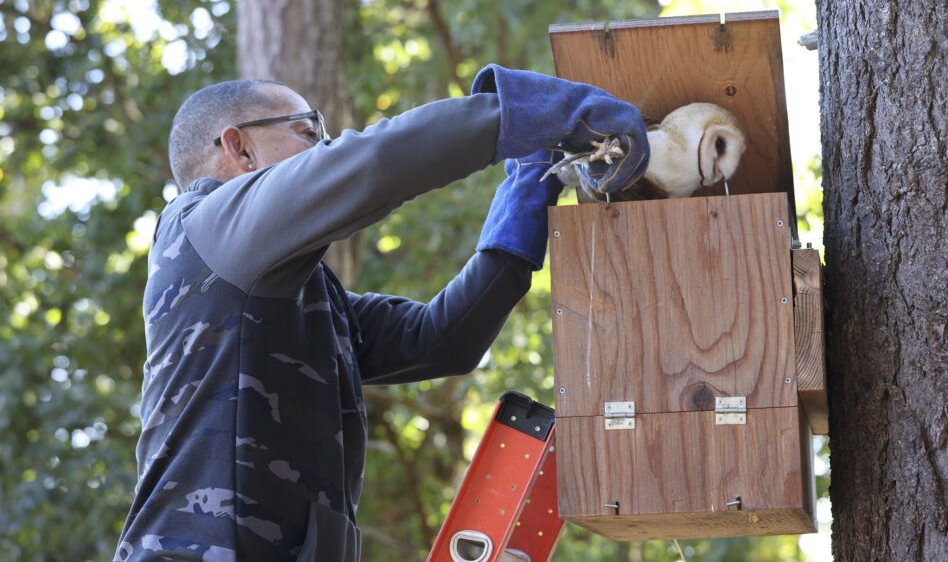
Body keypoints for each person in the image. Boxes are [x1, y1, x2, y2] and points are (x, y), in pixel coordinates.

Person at [114, 65, 649, 561]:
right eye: (308, 129)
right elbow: (373, 162)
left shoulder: (302, 297)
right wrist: (536, 111)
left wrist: (530, 183)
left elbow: (443, 339)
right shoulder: (201, 225)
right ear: (240, 147)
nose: (323, 144)